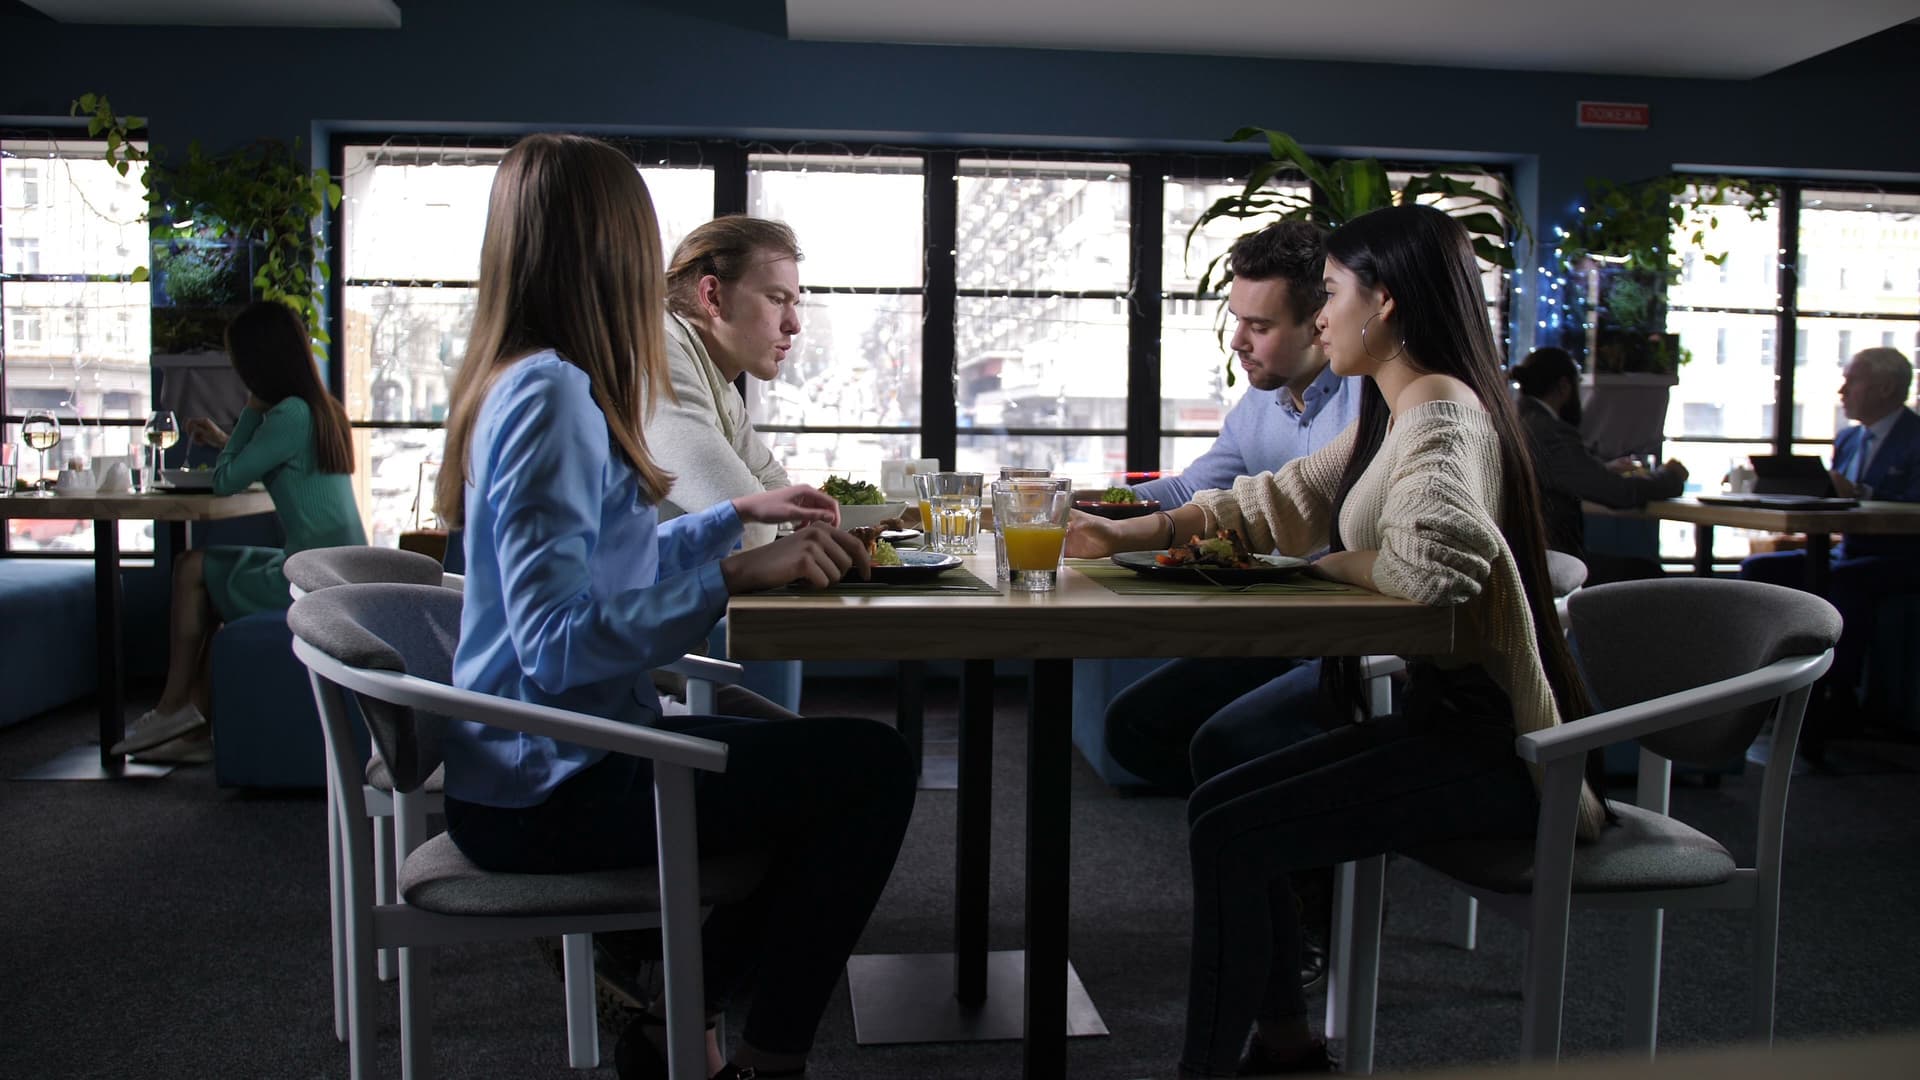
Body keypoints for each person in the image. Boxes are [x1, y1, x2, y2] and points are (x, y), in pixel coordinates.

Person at [1067, 203, 1608, 1076]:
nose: (1320, 318)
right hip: (1443, 724)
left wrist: (1335, 564)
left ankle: (1241, 1059)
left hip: (1497, 749)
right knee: (1220, 804)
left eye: (1332, 296)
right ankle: (1285, 1045)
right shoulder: (1396, 414)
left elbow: (1432, 567)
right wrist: (1114, 534)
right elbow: (1268, 502)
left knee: (1230, 831)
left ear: (1383, 302)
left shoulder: (1441, 415)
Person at [431, 133, 915, 1080]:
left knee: (824, 770)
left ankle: (671, 1027)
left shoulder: (537, 378)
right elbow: (558, 646)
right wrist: (730, 575)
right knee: (868, 769)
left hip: (536, 767)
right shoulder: (552, 395)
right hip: (549, 790)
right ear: (610, 246)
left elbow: (600, 567)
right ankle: (759, 1058)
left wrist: (730, 520)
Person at [1107, 220, 1361, 795]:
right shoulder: (1261, 400)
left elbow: (1270, 505)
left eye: (1259, 325)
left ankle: (1304, 852)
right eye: (1237, 320)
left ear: (1321, 325)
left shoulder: (1374, 400)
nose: (1237, 341)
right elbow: (1192, 491)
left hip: (1354, 641)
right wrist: (1083, 506)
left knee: (1226, 747)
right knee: (1135, 728)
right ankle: (1262, 832)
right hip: (1281, 628)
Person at [111, 300, 366, 761]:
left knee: (191, 569)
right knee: (205, 580)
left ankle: (173, 709)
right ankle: (194, 729)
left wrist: (249, 411)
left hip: (311, 579)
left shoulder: (285, 413)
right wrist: (229, 441)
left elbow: (227, 480)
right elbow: (275, 463)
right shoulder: (318, 408)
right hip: (335, 567)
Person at [1741, 346, 1920, 732]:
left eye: (1852, 380)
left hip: (1902, 557)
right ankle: (1764, 687)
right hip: (1847, 551)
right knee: (1759, 569)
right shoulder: (1849, 439)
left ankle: (1833, 694)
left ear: (1886, 388)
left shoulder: (1915, 437)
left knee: (1843, 580)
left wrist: (1856, 492)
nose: (1842, 390)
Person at [652, 215, 800, 551]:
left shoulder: (715, 375)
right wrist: (761, 510)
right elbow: (749, 528)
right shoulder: (657, 355)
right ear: (713, 296)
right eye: (777, 299)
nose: (794, 325)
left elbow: (779, 491)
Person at [1510, 346, 1686, 582]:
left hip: (1523, 560)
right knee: (1649, 575)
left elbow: (1558, 474)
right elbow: (1619, 494)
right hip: (1551, 563)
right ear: (1564, 386)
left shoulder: (1515, 421)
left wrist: (1600, 469)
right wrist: (1671, 476)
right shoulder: (1550, 432)